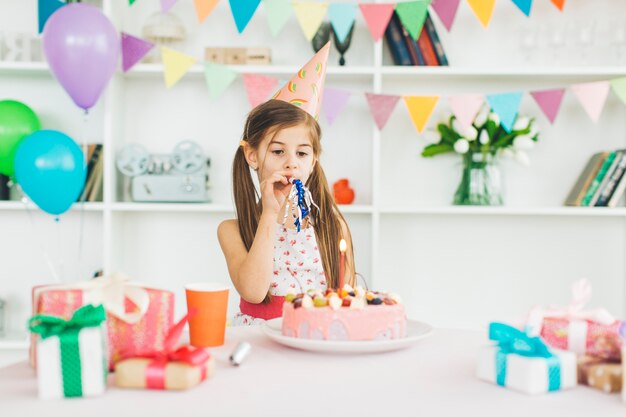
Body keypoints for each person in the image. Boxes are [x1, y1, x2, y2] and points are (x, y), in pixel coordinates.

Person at [218, 43, 356, 325]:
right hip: (260, 344)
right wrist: (269, 213)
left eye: (302, 153)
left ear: (313, 161)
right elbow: (254, 292)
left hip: (317, 340)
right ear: (252, 155)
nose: (291, 163)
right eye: (278, 151)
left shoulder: (332, 226)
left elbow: (347, 298)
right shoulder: (232, 230)